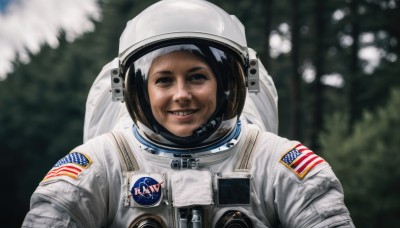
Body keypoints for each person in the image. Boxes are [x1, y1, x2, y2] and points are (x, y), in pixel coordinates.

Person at [23, 0, 354, 227]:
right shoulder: (100, 166)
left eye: (197, 77)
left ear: (227, 83)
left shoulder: (278, 164)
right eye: (164, 80)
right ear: (138, 91)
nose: (181, 95)